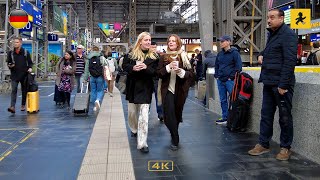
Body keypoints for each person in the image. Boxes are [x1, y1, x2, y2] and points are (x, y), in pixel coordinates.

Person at [248, 9, 298, 161]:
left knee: (284, 117)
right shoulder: (273, 34)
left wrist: (283, 85)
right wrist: (261, 54)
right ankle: (263, 143)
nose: (268, 20)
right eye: (268, 17)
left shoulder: (288, 35)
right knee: (266, 115)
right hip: (269, 81)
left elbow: (290, 62)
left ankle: (285, 147)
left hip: (281, 84)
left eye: (272, 17)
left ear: (281, 18)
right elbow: (267, 51)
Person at [122, 32, 159, 153]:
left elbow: (156, 72)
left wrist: (146, 68)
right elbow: (124, 66)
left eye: (149, 40)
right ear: (140, 41)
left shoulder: (154, 57)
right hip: (132, 87)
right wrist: (133, 68)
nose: (149, 42)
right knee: (132, 112)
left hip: (146, 88)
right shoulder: (131, 55)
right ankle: (133, 129)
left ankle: (142, 143)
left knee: (144, 116)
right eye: (146, 40)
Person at [157, 34, 195, 151]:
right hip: (167, 89)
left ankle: (174, 131)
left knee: (177, 113)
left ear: (178, 43)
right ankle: (175, 136)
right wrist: (168, 68)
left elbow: (191, 75)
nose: (171, 43)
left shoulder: (183, 56)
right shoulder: (163, 57)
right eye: (169, 41)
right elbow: (158, 73)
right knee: (168, 114)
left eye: (173, 41)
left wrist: (181, 72)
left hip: (180, 90)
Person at [214, 35, 242, 125]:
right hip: (221, 80)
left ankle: (234, 118)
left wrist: (231, 77)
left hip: (230, 80)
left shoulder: (235, 53)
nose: (221, 43)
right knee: (223, 100)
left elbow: (238, 67)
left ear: (229, 42)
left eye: (223, 41)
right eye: (220, 41)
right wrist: (217, 75)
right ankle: (225, 117)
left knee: (234, 99)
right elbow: (217, 65)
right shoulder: (220, 54)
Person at [7, 36, 33, 113]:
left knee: (24, 90)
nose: (15, 44)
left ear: (21, 43)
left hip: (24, 74)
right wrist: (10, 65)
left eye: (17, 42)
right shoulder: (10, 53)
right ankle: (12, 106)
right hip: (14, 75)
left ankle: (23, 104)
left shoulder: (25, 52)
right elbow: (8, 63)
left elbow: (30, 63)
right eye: (14, 42)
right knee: (14, 90)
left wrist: (30, 68)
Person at [82, 46, 105, 111]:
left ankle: (94, 106)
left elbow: (86, 70)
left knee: (93, 90)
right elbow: (106, 65)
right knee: (100, 90)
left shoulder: (88, 58)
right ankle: (98, 100)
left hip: (91, 77)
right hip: (100, 76)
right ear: (98, 50)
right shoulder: (101, 57)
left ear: (91, 50)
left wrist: (85, 78)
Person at [150, 41, 164, 122]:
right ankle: (145, 113)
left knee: (158, 97)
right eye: (152, 47)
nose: (154, 49)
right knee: (147, 97)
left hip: (156, 79)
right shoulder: (146, 56)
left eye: (155, 47)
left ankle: (161, 114)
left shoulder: (159, 56)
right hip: (147, 79)